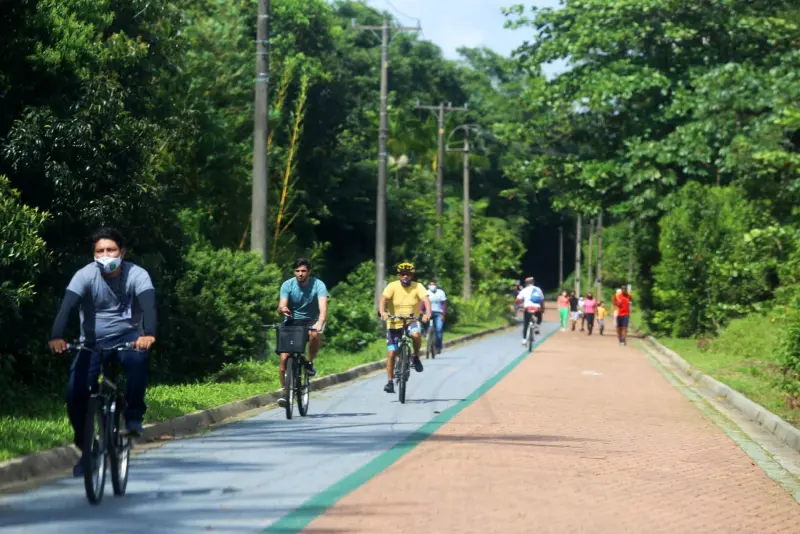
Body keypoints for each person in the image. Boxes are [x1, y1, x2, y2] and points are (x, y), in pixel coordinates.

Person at [48, 228, 156, 477]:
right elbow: (67, 307)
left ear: (122, 252)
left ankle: (132, 418)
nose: (105, 255)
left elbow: (149, 306)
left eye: (111, 250)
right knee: (75, 393)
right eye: (100, 251)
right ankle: (87, 447)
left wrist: (148, 334)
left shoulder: (137, 275)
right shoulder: (84, 275)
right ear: (93, 254)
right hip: (93, 343)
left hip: (128, 339)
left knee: (138, 362)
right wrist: (56, 336)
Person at [277, 258, 328, 406]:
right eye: (297, 271)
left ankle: (309, 362)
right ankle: (285, 393)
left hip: (311, 320)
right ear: (294, 272)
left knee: (315, 334)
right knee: (283, 361)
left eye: (303, 271)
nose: (300, 274)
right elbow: (281, 305)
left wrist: (320, 322)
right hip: (292, 321)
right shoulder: (287, 285)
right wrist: (282, 309)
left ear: (309, 272)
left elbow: (323, 307)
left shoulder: (318, 285)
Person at [379, 262, 431, 394]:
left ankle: (416, 357)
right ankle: (390, 383)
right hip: (394, 322)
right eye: (402, 274)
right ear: (399, 275)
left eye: (408, 274)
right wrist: (383, 312)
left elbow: (425, 300)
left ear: (412, 275)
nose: (405, 277)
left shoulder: (418, 286)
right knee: (391, 353)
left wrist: (427, 313)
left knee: (416, 335)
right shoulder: (392, 286)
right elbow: (383, 300)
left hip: (411, 320)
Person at [515, 277, 544, 344]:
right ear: (533, 283)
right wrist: (542, 309)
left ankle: (524, 340)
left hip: (527, 308)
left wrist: (519, 306)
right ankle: (537, 326)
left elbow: (518, 299)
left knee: (526, 324)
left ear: (526, 283)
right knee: (539, 318)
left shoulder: (524, 290)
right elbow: (542, 300)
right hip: (537, 308)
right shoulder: (538, 289)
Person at [426, 280, 447, 355]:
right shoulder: (426, 292)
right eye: (431, 284)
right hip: (429, 313)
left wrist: (444, 314)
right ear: (428, 286)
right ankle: (427, 336)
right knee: (426, 324)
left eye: (433, 284)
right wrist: (421, 311)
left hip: (439, 313)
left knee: (439, 329)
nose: (432, 286)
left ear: (436, 285)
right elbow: (422, 303)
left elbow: (444, 304)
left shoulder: (440, 292)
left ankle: (438, 347)